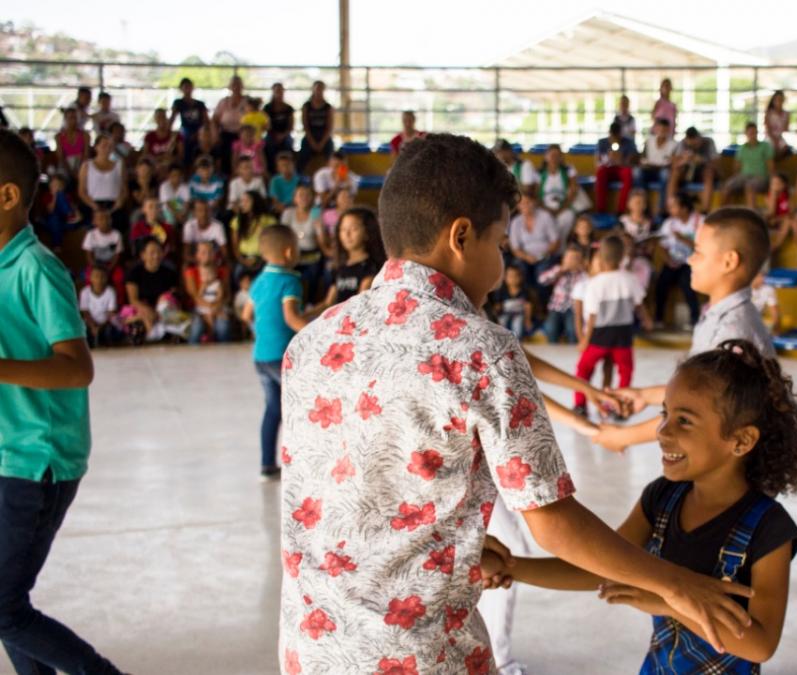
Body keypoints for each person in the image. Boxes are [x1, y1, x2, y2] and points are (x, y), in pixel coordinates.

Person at [279, 133, 755, 674]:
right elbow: (551, 519)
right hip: (419, 656)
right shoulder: (479, 348)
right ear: (461, 236)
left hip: (311, 648)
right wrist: (677, 584)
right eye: (501, 242)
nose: (503, 262)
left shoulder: (314, 341)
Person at [496, 338, 797, 673]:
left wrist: (669, 602)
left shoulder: (769, 528)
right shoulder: (662, 497)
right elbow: (601, 566)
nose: (663, 431)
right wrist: (513, 567)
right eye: (665, 413)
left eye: (685, 421)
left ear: (741, 440)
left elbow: (760, 645)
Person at [0, 129, 125, 675]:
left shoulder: (36, 269)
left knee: (3, 609)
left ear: (6, 197)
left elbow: (77, 368)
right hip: (9, 453)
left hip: (38, 460)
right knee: (5, 603)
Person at [592, 207, 776, 453]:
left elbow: (700, 411)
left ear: (729, 261)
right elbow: (698, 388)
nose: (690, 259)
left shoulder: (731, 331)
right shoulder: (718, 315)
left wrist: (626, 436)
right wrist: (644, 396)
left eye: (698, 252)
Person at [241, 226, 308, 480]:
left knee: (272, 409)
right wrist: (319, 332)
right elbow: (292, 318)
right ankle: (301, 465)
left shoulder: (259, 281)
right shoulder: (290, 281)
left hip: (260, 356)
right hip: (282, 357)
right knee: (300, 407)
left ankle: (267, 464)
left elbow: (246, 314)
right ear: (289, 252)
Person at [575, 235, 648, 414]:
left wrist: (585, 339)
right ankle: (621, 404)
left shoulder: (594, 283)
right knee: (625, 370)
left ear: (600, 255)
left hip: (600, 335)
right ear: (623, 255)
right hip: (623, 335)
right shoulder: (630, 279)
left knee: (584, 368)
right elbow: (639, 304)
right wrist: (647, 319)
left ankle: (580, 404)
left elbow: (591, 316)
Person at [315, 207, 386, 309]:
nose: (347, 234)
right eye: (343, 229)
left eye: (354, 229)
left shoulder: (371, 267)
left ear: (367, 232)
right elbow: (327, 303)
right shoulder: (339, 266)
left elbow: (359, 307)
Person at [655, 193, 703, 328]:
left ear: (684, 208)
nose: (670, 210)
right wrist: (668, 260)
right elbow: (662, 246)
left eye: (673, 207)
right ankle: (658, 318)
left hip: (693, 262)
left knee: (688, 284)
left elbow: (704, 247)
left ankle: (694, 319)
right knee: (661, 284)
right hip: (672, 262)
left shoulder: (699, 221)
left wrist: (683, 239)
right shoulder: (668, 223)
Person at [122, 238, 182, 344]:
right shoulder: (134, 273)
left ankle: (158, 332)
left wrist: (159, 309)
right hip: (143, 309)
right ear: (143, 255)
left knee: (183, 320)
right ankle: (153, 333)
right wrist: (148, 311)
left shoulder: (170, 273)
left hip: (163, 311)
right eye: (152, 252)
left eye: (159, 251)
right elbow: (133, 300)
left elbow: (174, 297)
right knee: (137, 316)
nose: (156, 256)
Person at [507, 189, 560, 292]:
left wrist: (542, 255)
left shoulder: (545, 216)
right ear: (518, 206)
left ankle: (542, 305)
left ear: (534, 202)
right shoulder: (515, 222)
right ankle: (527, 301)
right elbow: (515, 248)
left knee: (541, 274)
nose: (525, 205)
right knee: (519, 272)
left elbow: (556, 241)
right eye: (522, 203)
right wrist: (527, 257)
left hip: (545, 255)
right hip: (525, 257)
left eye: (528, 202)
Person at [280, 183, 326, 301]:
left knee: (313, 276)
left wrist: (320, 230)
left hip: (311, 254)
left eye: (307, 195)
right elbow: (283, 235)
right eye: (301, 195)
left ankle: (310, 302)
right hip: (293, 254)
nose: (304, 198)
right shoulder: (288, 213)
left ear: (312, 198)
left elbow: (321, 238)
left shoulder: (316, 212)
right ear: (295, 198)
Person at [185, 241, 232, 344]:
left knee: (223, 326)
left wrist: (217, 307)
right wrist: (210, 309)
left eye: (210, 252)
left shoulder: (222, 271)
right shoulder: (191, 272)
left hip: (219, 307)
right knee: (197, 328)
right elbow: (195, 297)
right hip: (198, 309)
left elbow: (227, 295)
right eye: (203, 252)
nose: (207, 255)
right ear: (197, 255)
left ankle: (226, 356)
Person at [538, 244, 587, 344]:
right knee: (550, 328)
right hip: (556, 307)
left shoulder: (583, 274)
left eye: (575, 258)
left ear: (580, 260)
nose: (571, 261)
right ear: (563, 259)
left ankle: (573, 352)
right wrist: (560, 270)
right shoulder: (558, 270)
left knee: (572, 330)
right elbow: (542, 280)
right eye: (569, 257)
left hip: (573, 309)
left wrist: (581, 269)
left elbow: (587, 284)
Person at [78, 135, 128, 233]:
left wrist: (119, 202)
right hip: (93, 204)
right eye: (104, 145)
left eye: (110, 146)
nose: (107, 148)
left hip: (114, 205)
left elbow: (124, 189)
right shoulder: (87, 165)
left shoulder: (119, 164)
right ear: (96, 147)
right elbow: (81, 191)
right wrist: (94, 206)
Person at [721, 122, 774, 207]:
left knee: (750, 186)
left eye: (754, 132)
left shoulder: (765, 146)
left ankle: (751, 215)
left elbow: (770, 166)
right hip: (743, 177)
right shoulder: (741, 149)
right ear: (746, 134)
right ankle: (723, 213)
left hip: (760, 177)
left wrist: (772, 181)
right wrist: (735, 179)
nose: (753, 135)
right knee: (727, 186)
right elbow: (736, 167)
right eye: (750, 133)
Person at [668, 128, 718, 213]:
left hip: (704, 172)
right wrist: (683, 160)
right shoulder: (682, 143)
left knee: (708, 173)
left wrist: (701, 160)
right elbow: (674, 165)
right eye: (690, 144)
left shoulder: (709, 142)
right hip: (687, 173)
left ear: (699, 138)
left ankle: (705, 210)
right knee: (674, 173)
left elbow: (716, 165)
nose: (693, 146)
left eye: (695, 144)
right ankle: (670, 207)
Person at [536, 144, 581, 237]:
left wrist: (560, 210)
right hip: (545, 207)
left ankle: (560, 246)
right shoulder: (539, 173)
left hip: (563, 205)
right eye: (551, 155)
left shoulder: (568, 170)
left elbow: (573, 193)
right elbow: (536, 195)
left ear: (561, 157)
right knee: (543, 218)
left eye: (557, 155)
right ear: (545, 157)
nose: (554, 158)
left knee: (568, 216)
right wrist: (547, 210)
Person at [231, 190, 278, 279]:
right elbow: (235, 245)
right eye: (242, 201)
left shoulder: (269, 220)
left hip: (263, 258)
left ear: (255, 202)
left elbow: (273, 244)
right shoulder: (237, 221)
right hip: (244, 258)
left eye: (246, 201)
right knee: (237, 275)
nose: (243, 204)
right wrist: (243, 260)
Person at [81, 208, 125, 301]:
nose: (104, 221)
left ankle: (119, 303)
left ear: (111, 220)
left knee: (119, 278)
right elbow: (88, 254)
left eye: (107, 218)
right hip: (95, 264)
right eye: (100, 219)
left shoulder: (116, 234)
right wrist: (95, 267)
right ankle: (90, 302)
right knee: (90, 278)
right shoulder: (91, 234)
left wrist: (109, 269)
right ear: (95, 221)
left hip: (111, 264)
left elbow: (117, 255)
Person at [594, 122, 637, 215]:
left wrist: (620, 159)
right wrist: (608, 158)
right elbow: (598, 162)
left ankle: (621, 210)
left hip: (622, 168)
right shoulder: (602, 143)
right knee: (600, 172)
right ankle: (601, 210)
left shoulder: (628, 142)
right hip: (607, 169)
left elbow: (630, 162)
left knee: (628, 173)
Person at [211, 76, 249, 175]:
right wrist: (215, 134)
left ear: (242, 86)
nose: (236, 87)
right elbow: (214, 120)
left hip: (243, 135)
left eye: (238, 84)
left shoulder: (248, 101)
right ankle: (223, 176)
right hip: (225, 133)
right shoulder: (223, 102)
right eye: (233, 84)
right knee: (221, 149)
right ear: (230, 87)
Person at [640, 118, 678, 215]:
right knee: (636, 173)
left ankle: (661, 211)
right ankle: (643, 207)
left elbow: (671, 162)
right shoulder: (648, 141)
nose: (662, 132)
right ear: (656, 129)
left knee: (665, 175)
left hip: (663, 171)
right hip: (649, 170)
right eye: (660, 129)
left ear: (668, 130)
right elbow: (643, 159)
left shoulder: (674, 144)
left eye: (664, 130)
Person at [296, 81, 335, 176]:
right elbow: (305, 126)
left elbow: (329, 127)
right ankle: (299, 176)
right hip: (310, 136)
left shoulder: (328, 107)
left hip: (324, 137)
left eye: (321, 89)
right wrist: (312, 142)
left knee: (331, 153)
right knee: (303, 154)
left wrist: (322, 143)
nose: (319, 91)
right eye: (317, 89)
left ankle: (330, 176)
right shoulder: (307, 106)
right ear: (313, 90)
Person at [170, 77, 209, 170]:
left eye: (189, 87)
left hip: (199, 131)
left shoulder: (200, 104)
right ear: (181, 89)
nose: (187, 89)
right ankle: (185, 168)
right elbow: (172, 119)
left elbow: (206, 120)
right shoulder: (178, 103)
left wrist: (201, 133)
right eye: (185, 87)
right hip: (185, 131)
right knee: (183, 144)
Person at [79, 265, 121, 348]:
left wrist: (100, 327)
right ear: (90, 278)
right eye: (96, 276)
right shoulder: (85, 292)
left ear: (106, 278)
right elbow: (85, 312)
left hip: (105, 322)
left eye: (102, 276)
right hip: (90, 322)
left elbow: (110, 313)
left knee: (110, 331)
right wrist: (93, 326)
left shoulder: (110, 292)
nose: (99, 279)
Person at [39, 173, 84, 249]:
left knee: (77, 222)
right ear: (50, 186)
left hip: (66, 220)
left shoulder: (66, 196)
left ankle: (68, 215)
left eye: (59, 186)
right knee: (55, 220)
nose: (57, 188)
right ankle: (57, 245)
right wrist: (55, 196)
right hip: (52, 219)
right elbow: (50, 211)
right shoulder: (47, 195)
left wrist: (77, 215)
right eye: (54, 185)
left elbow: (74, 209)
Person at [494, 265, 534, 340]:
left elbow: (528, 306)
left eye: (516, 276)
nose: (513, 279)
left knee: (517, 323)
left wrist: (528, 320)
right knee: (502, 321)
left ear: (520, 278)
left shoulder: (524, 291)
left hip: (519, 314)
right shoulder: (502, 291)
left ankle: (517, 339)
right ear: (505, 278)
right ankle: (502, 339)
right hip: (505, 313)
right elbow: (498, 305)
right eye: (510, 276)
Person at [182, 198, 228, 262]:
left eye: (207, 210)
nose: (204, 213)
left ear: (211, 212)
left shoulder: (218, 226)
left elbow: (224, 252)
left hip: (213, 261)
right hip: (196, 260)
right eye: (200, 210)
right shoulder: (189, 226)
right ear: (194, 213)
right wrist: (202, 262)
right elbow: (186, 254)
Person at [264, 83, 295, 174]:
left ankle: (289, 169)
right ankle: (271, 171)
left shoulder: (288, 108)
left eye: (281, 91)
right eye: (277, 91)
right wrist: (274, 135)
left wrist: (283, 135)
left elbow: (291, 126)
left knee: (288, 144)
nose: (279, 94)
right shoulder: (267, 108)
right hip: (271, 135)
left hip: (285, 135)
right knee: (268, 145)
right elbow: (266, 125)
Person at [142, 108, 180, 178]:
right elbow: (145, 155)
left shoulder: (175, 135)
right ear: (155, 120)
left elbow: (181, 155)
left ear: (166, 118)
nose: (161, 119)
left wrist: (172, 158)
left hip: (170, 166)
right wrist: (158, 159)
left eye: (163, 117)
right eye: (159, 117)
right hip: (154, 166)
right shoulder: (149, 136)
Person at [54, 107, 90, 180]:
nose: (73, 120)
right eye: (70, 118)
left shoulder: (85, 135)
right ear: (65, 119)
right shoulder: (59, 137)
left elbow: (86, 155)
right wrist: (71, 172)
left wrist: (79, 170)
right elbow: (61, 157)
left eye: (75, 118)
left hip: (81, 165)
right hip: (65, 167)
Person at [750, 267, 779, 333]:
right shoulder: (743, 289)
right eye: (759, 277)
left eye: (763, 276)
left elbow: (774, 311)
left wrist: (776, 329)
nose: (762, 279)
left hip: (757, 320)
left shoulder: (768, 289)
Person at [763, 90, 791, 159]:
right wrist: (775, 140)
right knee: (770, 149)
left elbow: (786, 129)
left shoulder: (786, 114)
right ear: (773, 100)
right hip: (770, 137)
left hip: (780, 137)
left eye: (781, 99)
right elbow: (768, 129)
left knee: (785, 149)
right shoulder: (769, 113)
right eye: (777, 99)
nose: (779, 102)